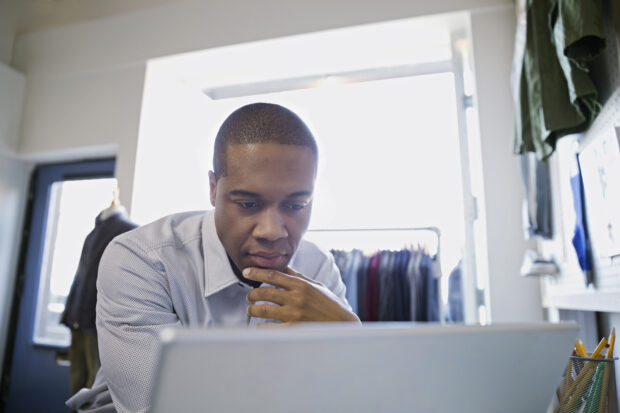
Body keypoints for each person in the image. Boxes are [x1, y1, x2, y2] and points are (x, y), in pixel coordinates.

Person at [67, 102, 359, 413]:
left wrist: (351, 337)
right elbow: (160, 406)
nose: (272, 231)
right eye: (248, 204)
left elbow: (347, 399)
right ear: (213, 188)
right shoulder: (141, 261)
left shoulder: (319, 268)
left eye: (296, 206)